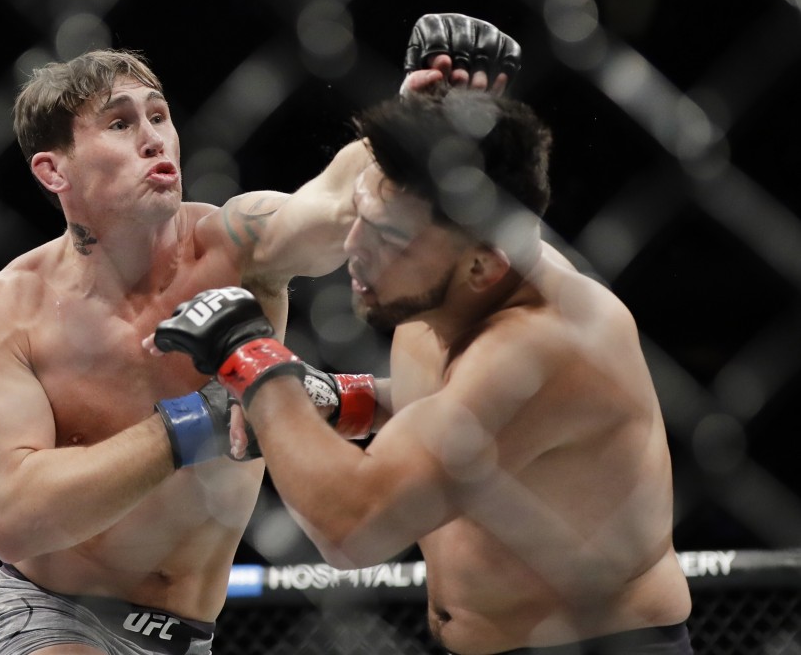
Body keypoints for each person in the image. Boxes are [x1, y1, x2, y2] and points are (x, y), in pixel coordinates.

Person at [0, 14, 520, 654]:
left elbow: (333, 207)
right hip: (52, 616)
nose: (153, 139)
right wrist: (196, 421)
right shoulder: (0, 306)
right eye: (119, 123)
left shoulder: (236, 244)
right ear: (55, 172)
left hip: (192, 636)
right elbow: (13, 517)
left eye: (159, 116)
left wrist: (419, 121)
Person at [151, 88, 695, 653]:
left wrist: (254, 359)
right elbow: (445, 413)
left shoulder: (544, 347)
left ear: (482, 265)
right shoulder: (440, 299)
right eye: (361, 216)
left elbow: (354, 528)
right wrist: (337, 400)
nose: (356, 248)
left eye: (389, 237)